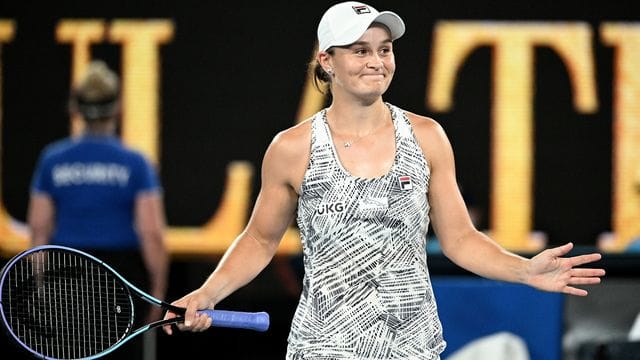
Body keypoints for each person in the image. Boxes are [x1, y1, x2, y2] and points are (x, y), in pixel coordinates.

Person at [162, 2, 605, 359]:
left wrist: (525, 271)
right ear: (326, 61)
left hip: (412, 347)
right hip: (323, 348)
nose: (376, 61)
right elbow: (260, 240)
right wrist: (207, 293)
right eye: (360, 50)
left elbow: (460, 239)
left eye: (384, 48)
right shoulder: (291, 149)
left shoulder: (428, 136)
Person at [28, 60, 168, 358]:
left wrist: (40, 287)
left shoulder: (52, 159)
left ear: (75, 108)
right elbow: (151, 232)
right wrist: (157, 294)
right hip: (120, 278)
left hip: (64, 274)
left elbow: (39, 229)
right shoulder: (135, 163)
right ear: (117, 107)